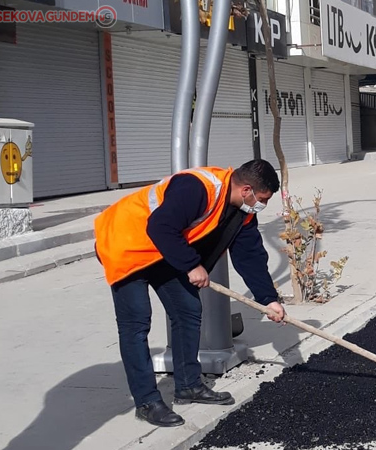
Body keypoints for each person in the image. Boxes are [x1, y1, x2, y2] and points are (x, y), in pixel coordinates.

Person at [93, 159, 287, 428]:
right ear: (246, 190)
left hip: (163, 251)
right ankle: (147, 401)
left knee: (188, 310)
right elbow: (160, 226)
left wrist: (269, 299)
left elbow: (250, 255)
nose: (261, 205)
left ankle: (188, 386)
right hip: (126, 244)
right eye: (261, 199)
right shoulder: (198, 187)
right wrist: (191, 265)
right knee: (137, 323)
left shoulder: (243, 212)